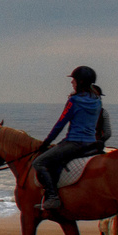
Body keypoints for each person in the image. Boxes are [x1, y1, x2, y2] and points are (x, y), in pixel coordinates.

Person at [32, 66, 105, 213]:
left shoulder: (74, 101)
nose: (72, 82)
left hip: (75, 143)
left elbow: (60, 124)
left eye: (74, 80)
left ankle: (53, 198)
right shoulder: (97, 101)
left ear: (81, 82)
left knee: (39, 162)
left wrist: (46, 142)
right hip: (91, 143)